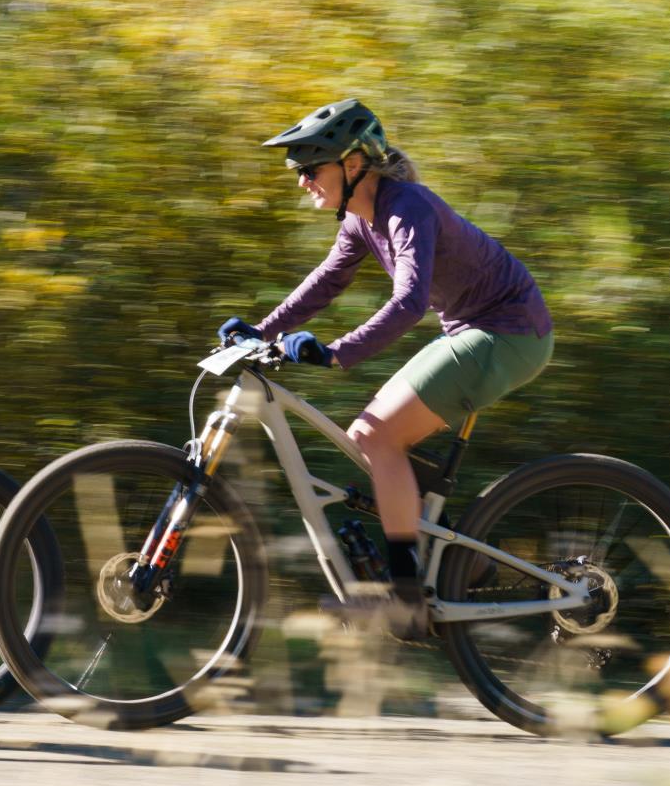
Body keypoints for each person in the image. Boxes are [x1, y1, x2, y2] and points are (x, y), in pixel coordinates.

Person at [219, 98, 553, 637]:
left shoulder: (406, 206)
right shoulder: (360, 217)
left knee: (376, 436)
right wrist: (262, 330)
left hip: (508, 332)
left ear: (354, 165)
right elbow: (326, 281)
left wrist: (334, 352)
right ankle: (460, 559)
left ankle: (405, 595)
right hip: (477, 332)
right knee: (370, 435)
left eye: (310, 168)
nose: (302, 181)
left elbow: (409, 302)